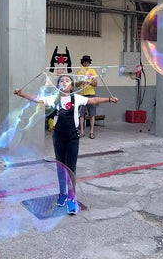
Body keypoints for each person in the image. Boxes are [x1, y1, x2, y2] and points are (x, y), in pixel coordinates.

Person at [14, 74, 118, 214]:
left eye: (67, 80)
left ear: (71, 86)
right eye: (61, 80)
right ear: (58, 86)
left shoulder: (77, 98)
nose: (64, 82)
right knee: (60, 167)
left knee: (71, 167)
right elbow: (37, 99)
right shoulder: (53, 99)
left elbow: (93, 100)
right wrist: (21, 94)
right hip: (58, 136)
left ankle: (71, 198)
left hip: (72, 137)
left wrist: (109, 99)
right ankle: (62, 195)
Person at [76, 55, 98, 139]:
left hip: (91, 94)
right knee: (81, 114)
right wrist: (81, 81)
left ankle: (92, 132)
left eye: (87, 62)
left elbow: (95, 84)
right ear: (82, 62)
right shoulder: (79, 71)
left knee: (92, 113)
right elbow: (76, 84)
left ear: (89, 63)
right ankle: (81, 131)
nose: (86, 63)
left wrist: (88, 82)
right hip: (81, 94)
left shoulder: (92, 71)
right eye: (85, 61)